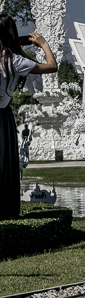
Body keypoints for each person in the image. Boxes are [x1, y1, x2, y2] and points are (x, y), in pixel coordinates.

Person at [1, 15, 58, 220]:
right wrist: (43, 45)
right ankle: (5, 210)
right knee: (5, 165)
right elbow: (52, 66)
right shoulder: (15, 61)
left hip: (4, 114)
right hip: (3, 116)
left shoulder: (13, 58)